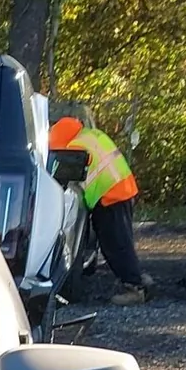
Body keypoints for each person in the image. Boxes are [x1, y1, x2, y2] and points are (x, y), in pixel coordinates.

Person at [51, 114, 152, 304]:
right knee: (123, 241)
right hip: (122, 189)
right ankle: (139, 278)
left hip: (109, 196)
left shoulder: (74, 148)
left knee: (116, 246)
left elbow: (63, 179)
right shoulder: (92, 135)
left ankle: (135, 288)